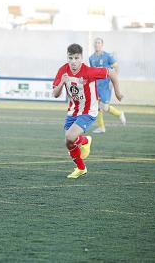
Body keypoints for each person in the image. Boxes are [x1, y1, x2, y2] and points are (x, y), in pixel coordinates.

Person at [52, 44, 123, 179]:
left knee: (70, 137)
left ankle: (83, 143)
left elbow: (112, 73)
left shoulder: (89, 71)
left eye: (76, 58)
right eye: (70, 58)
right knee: (69, 142)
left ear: (81, 58)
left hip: (89, 111)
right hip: (73, 111)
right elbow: (55, 94)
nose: (73, 61)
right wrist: (61, 83)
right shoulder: (63, 71)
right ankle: (81, 166)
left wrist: (118, 94)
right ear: (67, 57)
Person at [89, 37, 126, 133]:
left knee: (105, 107)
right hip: (96, 85)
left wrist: (112, 81)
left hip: (106, 84)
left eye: (99, 43)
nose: (97, 44)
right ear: (94, 45)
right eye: (95, 43)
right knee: (96, 106)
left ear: (102, 44)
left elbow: (116, 67)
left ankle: (119, 114)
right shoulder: (91, 58)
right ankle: (101, 127)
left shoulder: (107, 56)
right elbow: (92, 72)